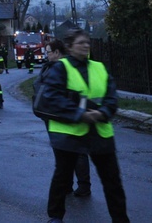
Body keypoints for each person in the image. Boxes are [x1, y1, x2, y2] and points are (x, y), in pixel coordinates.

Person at [41, 29, 129, 223]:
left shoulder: (99, 67)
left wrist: (102, 113)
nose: (86, 46)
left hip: (99, 131)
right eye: (81, 43)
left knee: (112, 181)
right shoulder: (60, 68)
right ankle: (55, 217)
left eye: (87, 42)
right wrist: (80, 115)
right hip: (68, 133)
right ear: (70, 47)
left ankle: (121, 219)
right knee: (62, 178)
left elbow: (111, 97)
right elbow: (52, 97)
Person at [39, 39, 91, 197]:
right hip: (56, 115)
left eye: (48, 52)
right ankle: (70, 184)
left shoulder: (61, 69)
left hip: (64, 115)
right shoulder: (54, 67)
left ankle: (82, 185)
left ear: (56, 53)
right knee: (64, 152)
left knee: (75, 151)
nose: (46, 55)